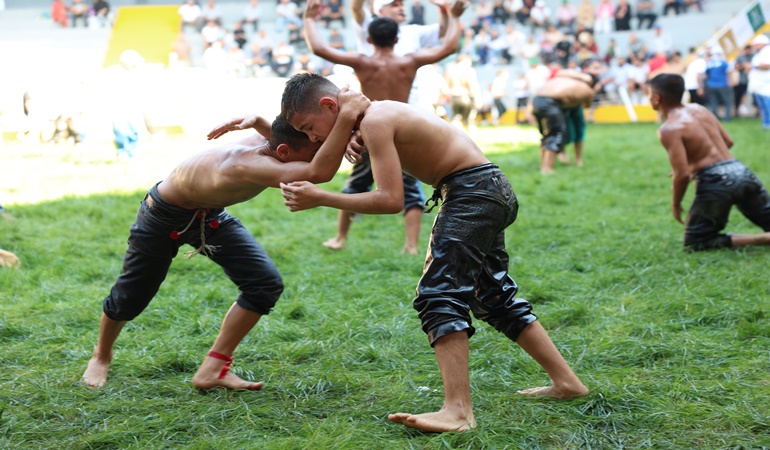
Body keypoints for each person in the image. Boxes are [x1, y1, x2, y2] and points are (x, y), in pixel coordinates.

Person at [278, 72, 588, 433]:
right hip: (488, 188)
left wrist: (320, 198)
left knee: (438, 294)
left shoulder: (376, 120)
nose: (312, 138)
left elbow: (390, 199)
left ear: (330, 106)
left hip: (471, 193)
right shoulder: (376, 116)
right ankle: (567, 383)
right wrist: (347, 132)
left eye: (308, 127)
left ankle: (457, 412)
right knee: (493, 296)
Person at [80, 91, 370, 390]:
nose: (317, 152)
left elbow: (296, 147)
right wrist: (348, 116)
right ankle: (101, 356)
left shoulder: (272, 144)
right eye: (314, 148)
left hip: (209, 216)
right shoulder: (247, 163)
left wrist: (260, 121)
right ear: (283, 152)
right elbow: (317, 171)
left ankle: (213, 369)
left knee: (264, 284)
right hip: (162, 217)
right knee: (131, 297)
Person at [649, 73, 770, 250]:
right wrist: (699, 166)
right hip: (742, 172)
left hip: (716, 182)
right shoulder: (700, 109)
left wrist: (676, 204)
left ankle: (765, 239)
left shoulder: (669, 128)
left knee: (696, 242)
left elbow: (681, 175)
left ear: (656, 98)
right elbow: (728, 142)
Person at [531, 60, 602, 174]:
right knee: (557, 135)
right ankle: (546, 169)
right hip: (551, 104)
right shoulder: (587, 89)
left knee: (546, 135)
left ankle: (544, 165)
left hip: (537, 100)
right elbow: (587, 105)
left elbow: (559, 73)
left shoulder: (564, 80)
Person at [749, 34, 770, 130]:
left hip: (766, 83)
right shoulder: (760, 53)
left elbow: (766, 65)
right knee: (762, 105)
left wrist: (755, 67)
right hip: (759, 84)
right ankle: (766, 123)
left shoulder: (767, 52)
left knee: (767, 104)